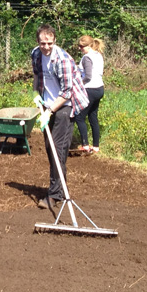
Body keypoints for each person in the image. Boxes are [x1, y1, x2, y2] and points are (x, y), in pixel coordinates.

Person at [31, 24, 88, 211]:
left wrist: (49, 112)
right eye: (42, 43)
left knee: (58, 150)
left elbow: (66, 92)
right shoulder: (36, 54)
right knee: (50, 149)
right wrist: (36, 93)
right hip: (47, 104)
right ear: (38, 42)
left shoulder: (63, 59)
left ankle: (54, 194)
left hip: (65, 106)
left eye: (49, 43)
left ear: (55, 40)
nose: (46, 47)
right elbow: (37, 75)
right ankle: (60, 189)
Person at [74, 35, 106, 154]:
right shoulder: (98, 55)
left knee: (79, 117)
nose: (79, 48)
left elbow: (88, 76)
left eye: (81, 46)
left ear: (88, 46)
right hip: (99, 89)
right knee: (93, 116)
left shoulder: (87, 57)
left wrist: (78, 84)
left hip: (90, 89)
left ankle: (85, 145)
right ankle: (96, 146)